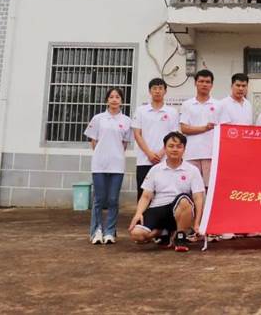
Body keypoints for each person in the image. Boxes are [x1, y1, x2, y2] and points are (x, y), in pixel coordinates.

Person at [128, 132, 205, 252]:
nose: (175, 149)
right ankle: (163, 232)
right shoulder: (155, 169)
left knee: (184, 199)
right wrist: (138, 213)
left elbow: (198, 198)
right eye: (171, 146)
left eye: (179, 146)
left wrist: (197, 223)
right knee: (136, 235)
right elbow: (146, 196)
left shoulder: (192, 170)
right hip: (158, 208)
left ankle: (180, 236)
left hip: (180, 209)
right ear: (165, 148)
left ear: (184, 149)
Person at [84, 87, 132, 245]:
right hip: (99, 165)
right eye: (111, 97)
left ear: (121, 101)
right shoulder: (98, 119)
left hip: (117, 165)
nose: (114, 99)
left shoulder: (126, 121)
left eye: (117, 97)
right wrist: (102, 155)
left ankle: (110, 232)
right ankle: (96, 231)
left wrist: (115, 155)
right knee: (99, 199)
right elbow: (93, 142)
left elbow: (124, 144)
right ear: (107, 100)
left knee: (113, 199)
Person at [215, 73, 253, 240]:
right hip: (228, 154)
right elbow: (221, 131)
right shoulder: (222, 104)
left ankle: (242, 225)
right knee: (227, 192)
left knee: (243, 192)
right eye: (238, 85)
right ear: (231, 86)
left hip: (245, 156)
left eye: (244, 86)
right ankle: (226, 226)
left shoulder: (248, 104)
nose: (241, 88)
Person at [131, 78, 179, 200]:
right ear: (150, 91)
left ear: (165, 91)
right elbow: (137, 134)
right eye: (154, 88)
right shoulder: (141, 110)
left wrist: (161, 153)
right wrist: (149, 153)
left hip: (165, 160)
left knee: (163, 194)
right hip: (144, 160)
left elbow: (173, 136)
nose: (157, 91)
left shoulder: (172, 112)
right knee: (143, 194)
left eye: (160, 88)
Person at [179, 69, 219, 188]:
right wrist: (205, 128)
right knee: (191, 187)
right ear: (195, 83)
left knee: (209, 187)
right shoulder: (187, 104)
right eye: (201, 81)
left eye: (207, 82)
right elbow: (184, 129)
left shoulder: (219, 105)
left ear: (212, 85)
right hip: (191, 153)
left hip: (211, 154)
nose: (204, 84)